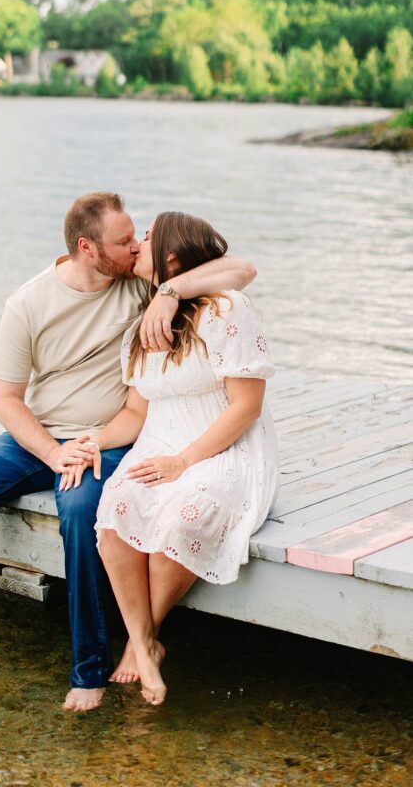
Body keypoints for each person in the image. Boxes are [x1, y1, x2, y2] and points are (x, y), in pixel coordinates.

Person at [0, 193, 256, 711]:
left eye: (137, 236)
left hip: (110, 437)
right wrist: (53, 453)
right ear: (86, 248)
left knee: (78, 512)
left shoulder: (140, 285)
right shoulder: (28, 303)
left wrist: (168, 291)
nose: (135, 245)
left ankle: (89, 670)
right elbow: (5, 399)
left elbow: (239, 268)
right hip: (38, 439)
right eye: (123, 241)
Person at [86, 211, 278, 706]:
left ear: (171, 256)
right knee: (118, 509)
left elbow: (247, 406)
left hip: (221, 446)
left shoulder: (226, 309)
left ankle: (140, 639)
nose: (135, 244)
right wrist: (95, 440)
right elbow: (134, 412)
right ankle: (146, 646)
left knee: (180, 515)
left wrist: (185, 460)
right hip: (158, 444)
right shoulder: (143, 323)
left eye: (145, 238)